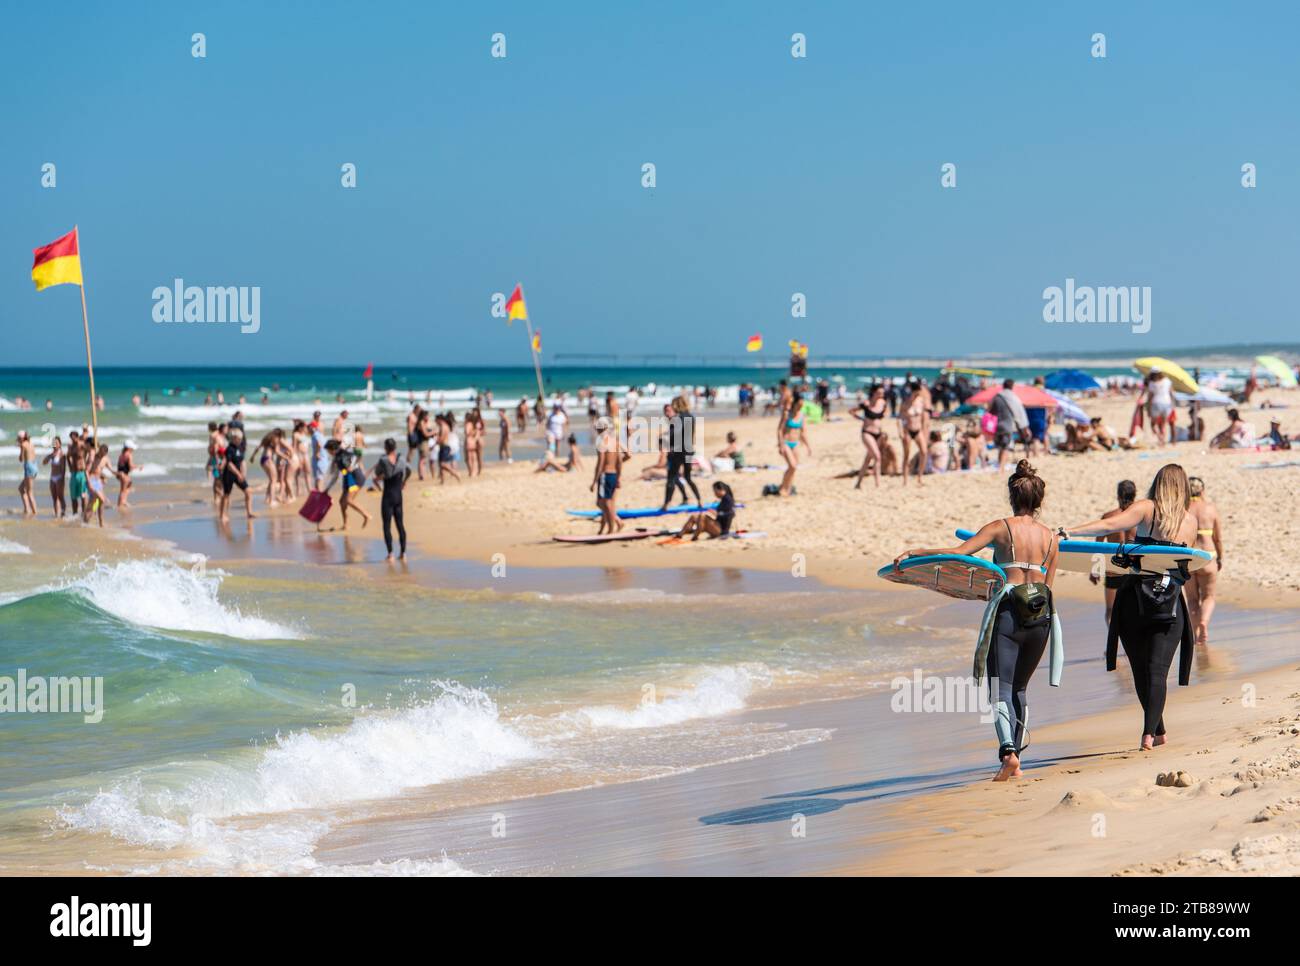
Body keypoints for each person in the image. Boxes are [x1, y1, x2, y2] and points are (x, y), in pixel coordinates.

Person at [893, 460, 1061, 781]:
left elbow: (961, 554)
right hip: (1040, 617)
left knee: (1000, 688)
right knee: (1021, 689)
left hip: (1009, 611)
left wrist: (917, 553)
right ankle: (1016, 758)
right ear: (1039, 501)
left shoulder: (1001, 527)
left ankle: (1008, 753)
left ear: (1012, 498)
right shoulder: (1052, 539)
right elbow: (1048, 586)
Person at [1063, 464, 1198, 752]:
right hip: (1170, 603)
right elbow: (1189, 565)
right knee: (1156, 670)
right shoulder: (1190, 521)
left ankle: (1148, 733)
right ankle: (1156, 731)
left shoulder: (1147, 508)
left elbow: (1111, 525)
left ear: (1158, 484)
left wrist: (1071, 531)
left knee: (1141, 669)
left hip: (1134, 598)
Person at [1090, 479, 1138, 625]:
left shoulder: (1108, 517)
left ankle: (1113, 644)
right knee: (1133, 610)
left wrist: (1095, 570)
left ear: (1117, 496)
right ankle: (1130, 644)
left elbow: (1098, 545)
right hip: (1133, 570)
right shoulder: (1140, 517)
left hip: (1113, 569)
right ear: (1134, 495)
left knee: (1111, 610)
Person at [1185, 476, 1223, 646]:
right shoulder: (1210, 508)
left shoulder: (1184, 508)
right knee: (1208, 596)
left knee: (1192, 599)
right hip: (1208, 556)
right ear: (1203, 490)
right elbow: (1218, 538)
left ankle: (1195, 635)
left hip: (1189, 557)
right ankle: (1204, 623)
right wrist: (1220, 557)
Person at [371, 438, 410, 559]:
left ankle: (391, 554)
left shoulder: (383, 460)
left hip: (387, 496)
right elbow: (409, 470)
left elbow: (377, 473)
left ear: (386, 448)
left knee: (386, 526)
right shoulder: (402, 459)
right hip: (398, 496)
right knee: (400, 525)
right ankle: (403, 553)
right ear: (395, 447)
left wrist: (380, 476)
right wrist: (404, 482)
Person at [320, 438, 372, 531]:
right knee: (342, 502)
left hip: (356, 478)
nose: (328, 453)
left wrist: (350, 467)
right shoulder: (338, 457)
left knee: (348, 500)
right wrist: (327, 489)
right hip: (348, 479)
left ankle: (366, 515)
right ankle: (346, 525)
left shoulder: (342, 456)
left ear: (332, 449)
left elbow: (353, 463)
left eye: (328, 451)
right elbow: (336, 475)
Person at [661, 395, 701, 510]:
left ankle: (666, 504)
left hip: (678, 452)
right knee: (688, 478)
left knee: (671, 478)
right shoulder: (691, 417)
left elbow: (673, 435)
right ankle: (699, 500)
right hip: (689, 451)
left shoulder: (678, 418)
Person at [590, 417, 625, 535]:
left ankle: (612, 528)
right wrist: (619, 476)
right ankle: (609, 525)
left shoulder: (601, 441)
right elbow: (620, 461)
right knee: (605, 502)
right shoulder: (614, 441)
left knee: (605, 503)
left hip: (605, 474)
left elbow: (600, 463)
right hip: (613, 474)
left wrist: (594, 481)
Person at [670, 481, 737, 542]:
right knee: (694, 516)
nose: (714, 493)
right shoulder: (724, 499)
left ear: (720, 490)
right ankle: (680, 535)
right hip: (717, 526)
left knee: (702, 516)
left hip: (721, 530)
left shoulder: (728, 499)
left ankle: (695, 536)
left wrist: (718, 513)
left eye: (715, 491)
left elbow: (732, 514)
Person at [989, 379, 1030, 471]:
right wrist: (1024, 428)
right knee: (1005, 447)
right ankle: (1001, 468)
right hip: (1007, 425)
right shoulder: (1014, 398)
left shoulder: (997, 397)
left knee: (1000, 446)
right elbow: (1020, 414)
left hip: (996, 425)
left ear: (1003, 385)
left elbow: (991, 411)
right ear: (1012, 386)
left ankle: (999, 465)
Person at [217, 428, 256, 524]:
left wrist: (243, 474)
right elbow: (229, 465)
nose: (240, 440)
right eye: (239, 439)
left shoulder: (239, 448)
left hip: (239, 474)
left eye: (241, 439)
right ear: (233, 438)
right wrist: (238, 474)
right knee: (226, 495)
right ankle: (223, 515)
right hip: (229, 474)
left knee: (248, 491)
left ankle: (249, 513)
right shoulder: (229, 449)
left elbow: (242, 461)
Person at [852, 386, 887, 489]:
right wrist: (862, 419)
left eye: (883, 393)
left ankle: (858, 483)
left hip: (879, 434)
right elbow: (851, 411)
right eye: (880, 393)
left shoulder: (882, 403)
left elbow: (884, 414)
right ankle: (878, 484)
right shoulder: (866, 403)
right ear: (874, 393)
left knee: (868, 460)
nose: (882, 394)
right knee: (877, 456)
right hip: (867, 433)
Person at [776, 391, 808, 497]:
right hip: (786, 442)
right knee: (792, 466)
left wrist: (808, 446)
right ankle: (783, 488)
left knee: (794, 468)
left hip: (795, 443)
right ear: (796, 402)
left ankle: (787, 488)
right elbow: (780, 430)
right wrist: (780, 444)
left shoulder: (802, 415)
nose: (801, 405)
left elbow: (803, 432)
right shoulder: (787, 414)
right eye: (800, 403)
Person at [85, 442, 110, 527]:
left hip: (98, 481)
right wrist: (89, 484)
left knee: (95, 502)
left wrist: (105, 477)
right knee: (102, 500)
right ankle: (87, 519)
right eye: (102, 454)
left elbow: (101, 470)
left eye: (104, 455)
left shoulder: (104, 458)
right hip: (91, 481)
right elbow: (86, 471)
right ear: (99, 451)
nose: (103, 456)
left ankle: (97, 522)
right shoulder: (93, 456)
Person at [1147, 369, 1174, 445]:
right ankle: (1162, 439)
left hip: (1156, 403)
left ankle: (1160, 437)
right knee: (1163, 424)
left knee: (1153, 424)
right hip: (1167, 403)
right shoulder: (1167, 381)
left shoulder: (1152, 383)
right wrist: (1173, 405)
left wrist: (1148, 408)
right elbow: (1172, 393)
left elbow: (1150, 397)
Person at [43, 435, 67, 517]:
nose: (55, 444)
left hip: (59, 477)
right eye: (54, 443)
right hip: (52, 478)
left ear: (60, 444)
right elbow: (44, 463)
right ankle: (57, 514)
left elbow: (64, 469)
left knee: (61, 497)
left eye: (56, 443)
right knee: (54, 498)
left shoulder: (62, 454)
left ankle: (63, 514)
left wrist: (62, 479)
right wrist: (49, 456)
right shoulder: (52, 455)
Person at [16, 431, 38, 516]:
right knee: (21, 488)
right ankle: (27, 509)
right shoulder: (30, 443)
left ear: (21, 438)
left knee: (29, 492)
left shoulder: (23, 445)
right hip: (34, 465)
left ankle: (34, 512)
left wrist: (20, 450)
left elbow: (21, 459)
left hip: (29, 467)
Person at [67, 431, 88, 517]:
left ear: (77, 437)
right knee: (73, 496)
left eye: (73, 437)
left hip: (81, 473)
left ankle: (83, 513)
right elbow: (67, 456)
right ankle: (75, 514)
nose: (72, 439)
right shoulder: (71, 447)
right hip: (73, 473)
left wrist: (85, 462)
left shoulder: (81, 444)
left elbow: (89, 450)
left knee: (83, 495)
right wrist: (69, 466)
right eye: (71, 438)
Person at [115, 441, 136, 509]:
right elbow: (130, 466)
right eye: (132, 448)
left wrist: (118, 474)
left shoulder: (121, 455)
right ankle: (120, 504)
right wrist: (138, 467)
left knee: (126, 487)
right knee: (123, 490)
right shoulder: (129, 455)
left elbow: (119, 465)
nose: (133, 450)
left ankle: (123, 502)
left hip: (120, 474)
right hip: (124, 475)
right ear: (129, 448)